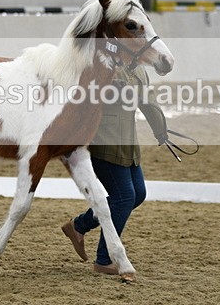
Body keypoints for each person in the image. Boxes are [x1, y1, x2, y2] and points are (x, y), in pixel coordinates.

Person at [61, 63, 169, 275]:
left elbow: (148, 101)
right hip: (103, 141)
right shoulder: (101, 65)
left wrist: (161, 131)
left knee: (138, 194)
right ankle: (104, 259)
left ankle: (79, 226)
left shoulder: (138, 69)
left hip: (127, 142)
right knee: (124, 197)